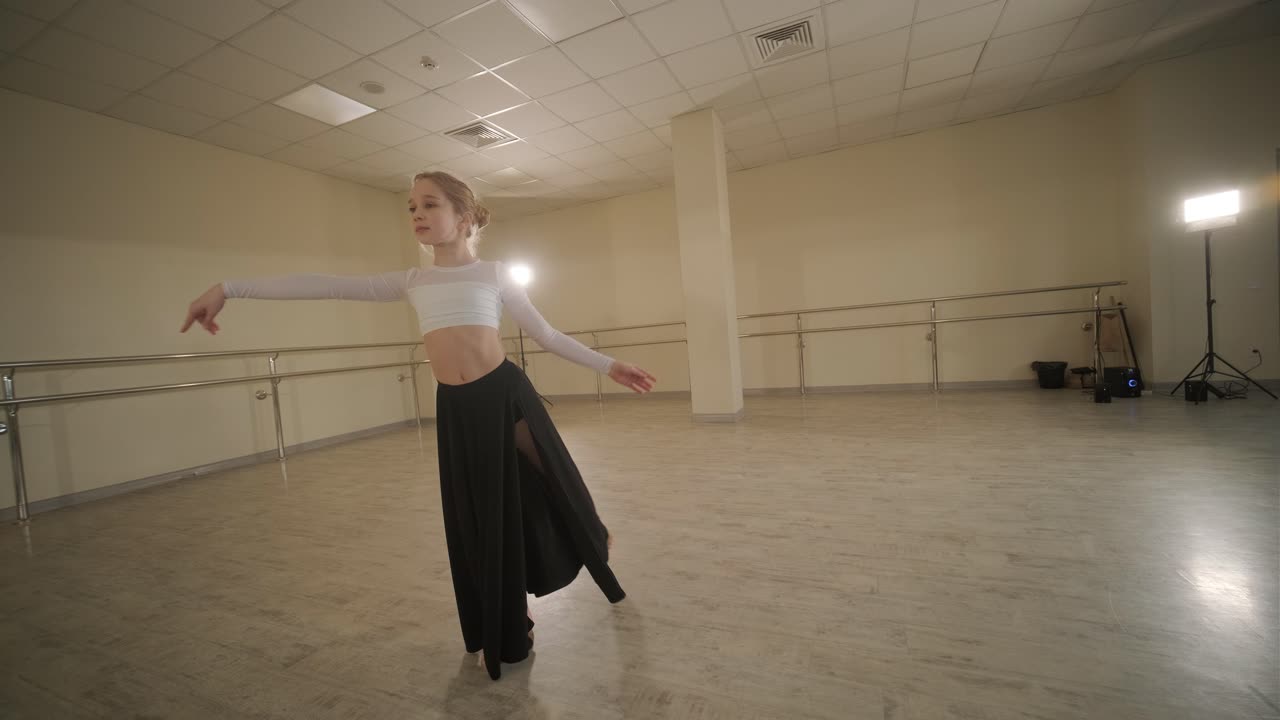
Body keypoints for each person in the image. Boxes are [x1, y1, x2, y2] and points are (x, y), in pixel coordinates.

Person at [181, 170, 656, 680]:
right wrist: (228, 288)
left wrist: (609, 366)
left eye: (429, 205)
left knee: (555, 480)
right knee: (478, 518)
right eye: (411, 208)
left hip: (503, 396)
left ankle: (591, 534)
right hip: (456, 408)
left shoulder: (494, 274)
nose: (417, 216)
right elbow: (323, 286)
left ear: (464, 218)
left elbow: (546, 334)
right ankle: (509, 613)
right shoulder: (412, 281)